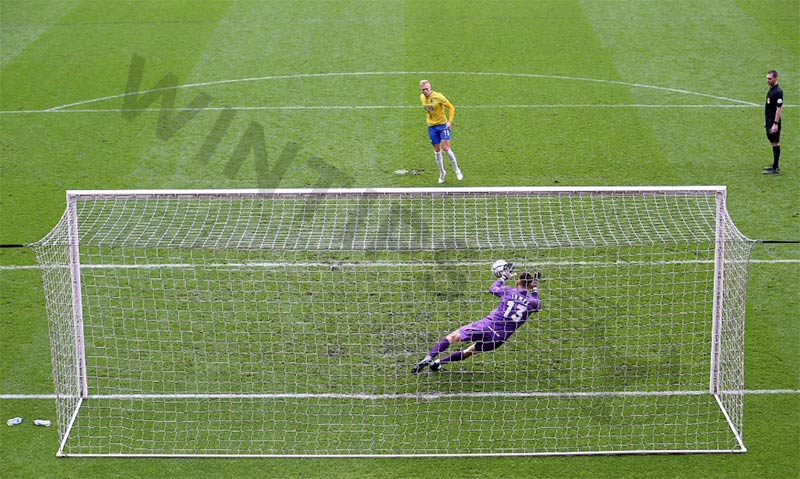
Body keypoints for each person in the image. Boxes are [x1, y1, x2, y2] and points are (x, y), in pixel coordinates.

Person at [412, 266, 541, 374]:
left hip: (487, 325)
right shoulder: (533, 302)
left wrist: (503, 277)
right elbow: (537, 305)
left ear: (518, 282)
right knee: (470, 351)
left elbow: (493, 289)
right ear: (529, 285)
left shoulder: (508, 291)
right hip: (500, 337)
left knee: (452, 337)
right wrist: (535, 289)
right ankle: (437, 363)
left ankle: (430, 357)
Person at [419, 79, 463, 184]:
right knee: (437, 151)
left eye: (426, 89)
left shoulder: (439, 96)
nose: (425, 91)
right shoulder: (422, 98)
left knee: (446, 148)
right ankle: (442, 172)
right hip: (431, 127)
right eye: (423, 90)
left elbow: (451, 107)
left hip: (443, 126)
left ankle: (457, 169)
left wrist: (450, 122)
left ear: (430, 88)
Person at [763, 70, 784, 174]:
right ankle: (775, 165)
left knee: (775, 142)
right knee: (772, 141)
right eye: (767, 78)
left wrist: (775, 123)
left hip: (774, 122)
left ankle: (775, 167)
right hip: (769, 120)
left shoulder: (778, 91)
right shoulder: (772, 90)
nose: (768, 80)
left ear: (776, 78)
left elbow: (779, 109)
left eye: (770, 79)